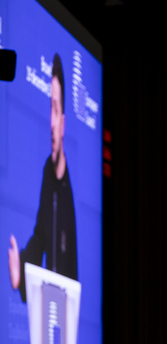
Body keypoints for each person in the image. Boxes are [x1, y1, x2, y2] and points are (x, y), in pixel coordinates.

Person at [7, 53, 77, 302]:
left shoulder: (69, 181)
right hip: (49, 310)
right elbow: (40, 235)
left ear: (63, 121)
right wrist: (20, 277)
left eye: (55, 110)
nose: (51, 122)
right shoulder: (48, 171)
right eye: (50, 109)